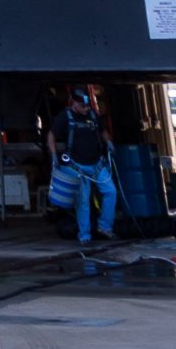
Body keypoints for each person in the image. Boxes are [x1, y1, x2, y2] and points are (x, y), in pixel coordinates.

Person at [49, 79, 117, 262]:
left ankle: (105, 226)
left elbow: (102, 131)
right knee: (83, 201)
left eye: (87, 105)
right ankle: (85, 236)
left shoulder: (93, 115)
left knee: (111, 191)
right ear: (74, 103)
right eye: (82, 106)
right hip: (76, 166)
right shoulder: (65, 117)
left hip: (97, 164)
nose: (85, 108)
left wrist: (108, 141)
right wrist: (54, 155)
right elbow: (51, 135)